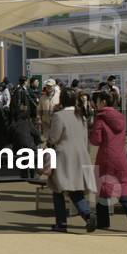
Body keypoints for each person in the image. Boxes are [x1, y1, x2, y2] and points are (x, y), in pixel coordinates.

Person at [45, 88, 97, 232]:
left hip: (63, 156)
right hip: (80, 154)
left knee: (58, 189)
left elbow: (54, 138)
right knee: (75, 190)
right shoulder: (81, 116)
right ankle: (87, 214)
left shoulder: (59, 116)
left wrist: (48, 145)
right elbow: (86, 137)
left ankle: (61, 223)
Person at [89, 91, 127, 231]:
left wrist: (91, 131)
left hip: (106, 156)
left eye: (97, 100)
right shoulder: (121, 117)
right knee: (121, 187)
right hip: (121, 156)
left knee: (103, 188)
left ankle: (103, 221)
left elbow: (96, 140)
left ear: (104, 102)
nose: (96, 103)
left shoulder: (100, 118)